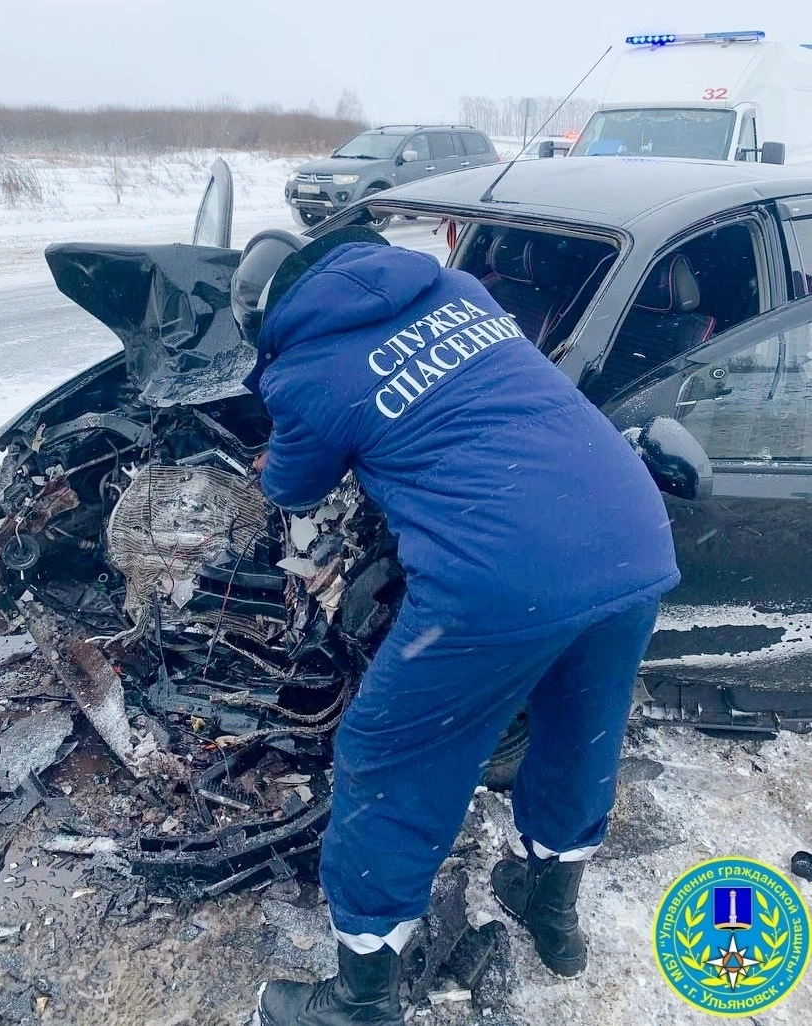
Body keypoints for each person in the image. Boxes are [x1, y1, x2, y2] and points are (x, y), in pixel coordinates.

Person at [230, 224, 679, 1026]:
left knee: (390, 757)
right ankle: (548, 907)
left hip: (503, 576)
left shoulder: (300, 371)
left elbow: (293, 489)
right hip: (629, 535)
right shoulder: (458, 290)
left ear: (267, 321)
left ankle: (359, 998)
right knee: (579, 731)